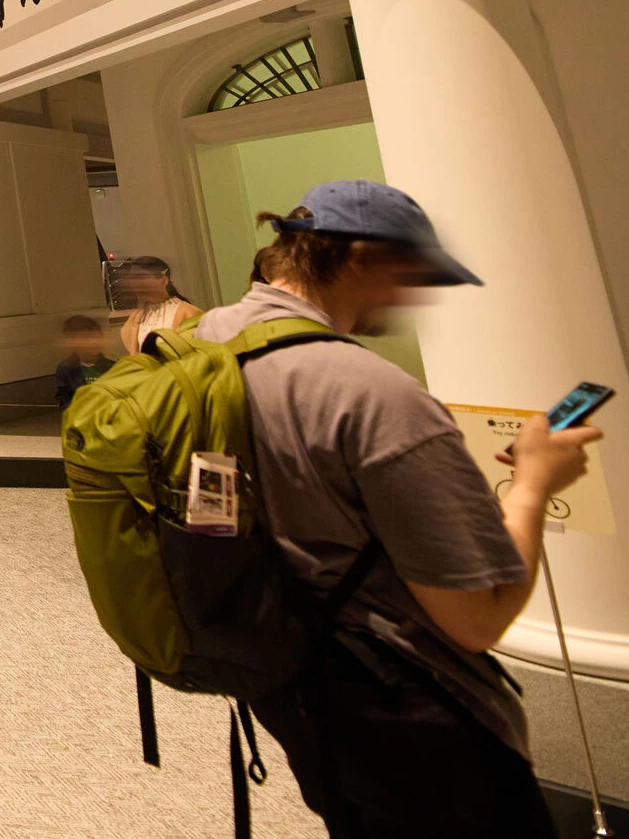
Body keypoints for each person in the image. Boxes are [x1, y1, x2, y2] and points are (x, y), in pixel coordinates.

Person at [196, 182, 598, 838]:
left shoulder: (205, 340)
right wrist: (532, 482)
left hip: (283, 669)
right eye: (408, 272)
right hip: (407, 705)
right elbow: (476, 617)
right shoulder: (376, 393)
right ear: (356, 256)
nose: (413, 295)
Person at [112, 254, 200, 355]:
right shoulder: (134, 320)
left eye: (140, 278)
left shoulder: (188, 313)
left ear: (163, 281)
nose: (135, 284)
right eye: (132, 279)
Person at [52, 315, 112, 411]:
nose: (95, 342)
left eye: (98, 337)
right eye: (88, 338)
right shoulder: (66, 368)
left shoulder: (112, 367)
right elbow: (63, 397)